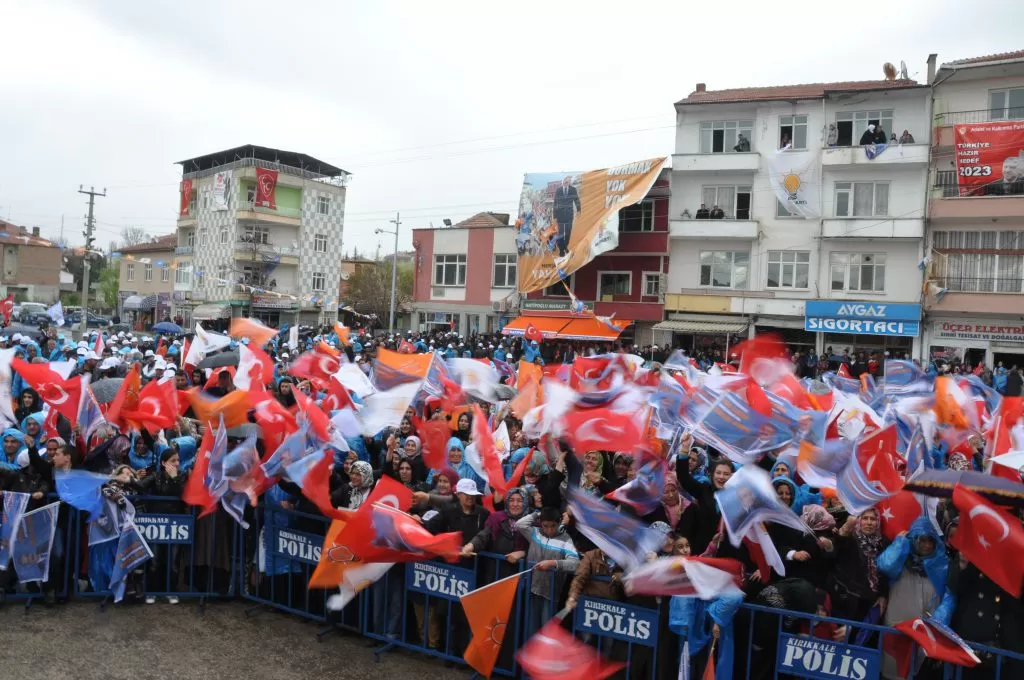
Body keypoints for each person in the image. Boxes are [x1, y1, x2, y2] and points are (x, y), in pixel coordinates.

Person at [516, 505, 580, 635]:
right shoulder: (535, 532)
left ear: (559, 523)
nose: (549, 530)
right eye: (545, 526)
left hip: (551, 593)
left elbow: (575, 563)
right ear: (541, 523)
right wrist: (537, 514)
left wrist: (553, 563)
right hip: (532, 589)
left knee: (546, 633)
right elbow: (520, 524)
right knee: (530, 631)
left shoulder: (566, 539)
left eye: (553, 526)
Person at [551, 175, 580, 259]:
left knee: (568, 233)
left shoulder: (573, 190)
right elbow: (555, 203)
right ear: (562, 182)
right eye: (565, 181)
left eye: (568, 181)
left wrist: (578, 210)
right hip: (560, 216)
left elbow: (577, 200)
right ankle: (561, 251)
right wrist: (554, 216)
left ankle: (565, 246)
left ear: (569, 182)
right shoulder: (558, 190)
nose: (566, 182)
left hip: (569, 215)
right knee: (560, 234)